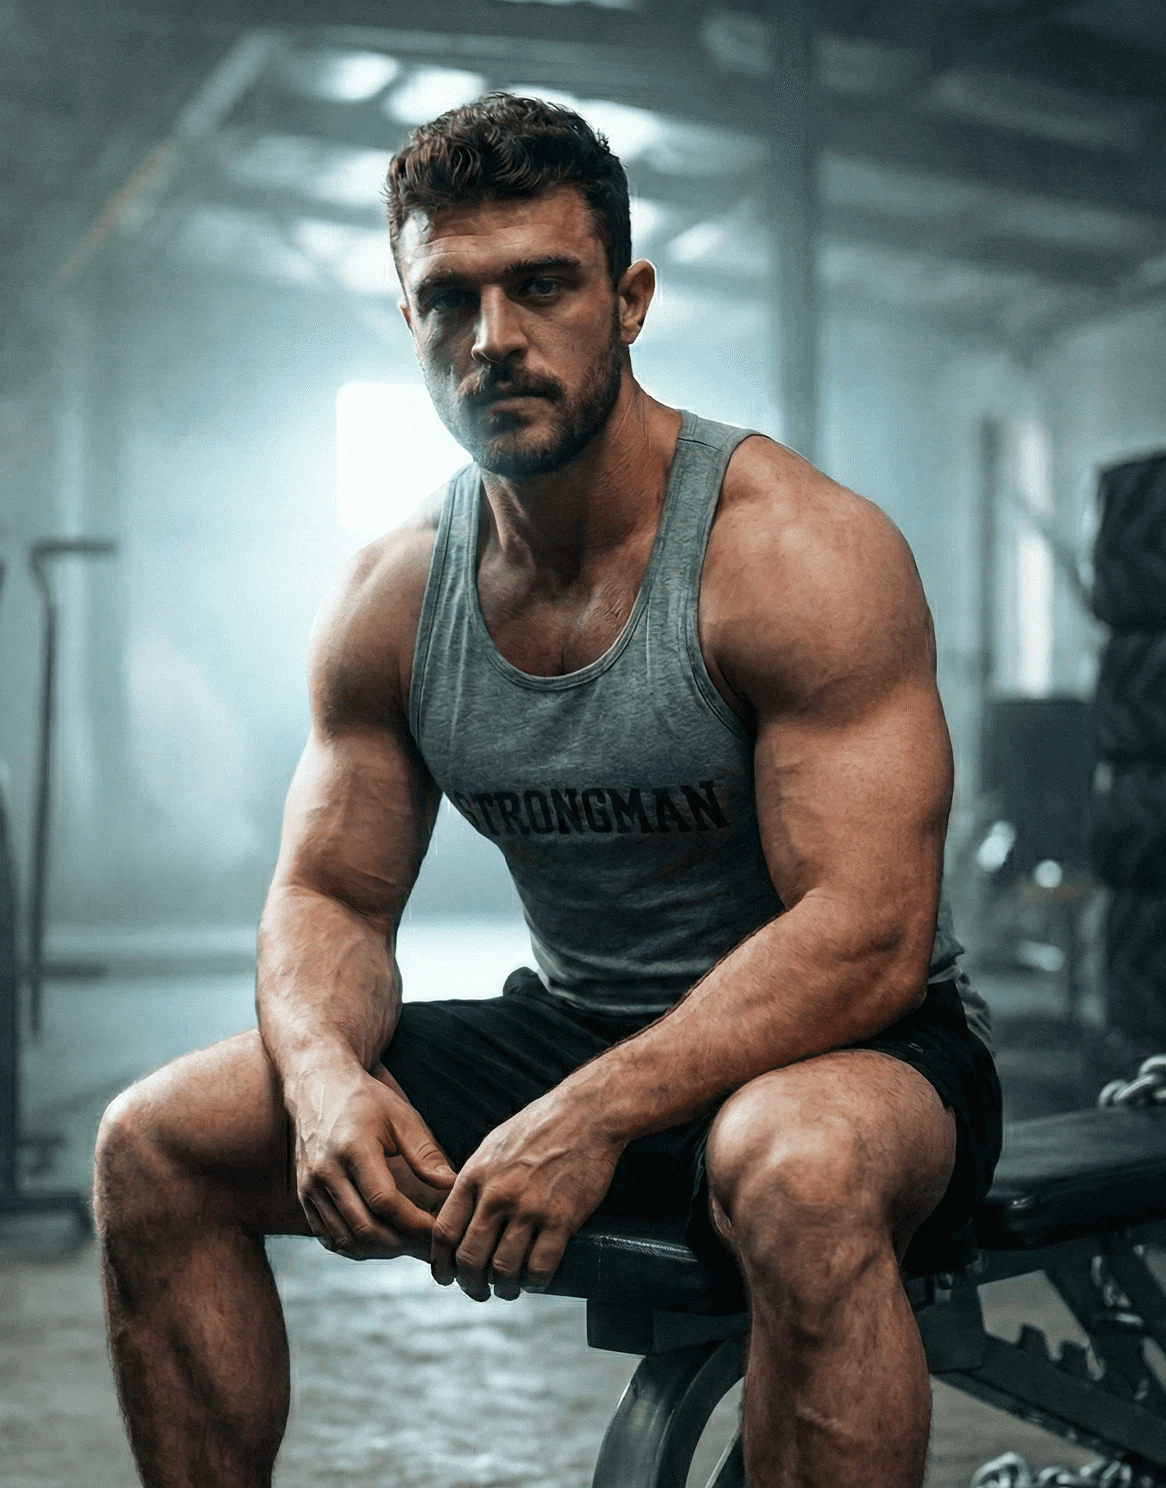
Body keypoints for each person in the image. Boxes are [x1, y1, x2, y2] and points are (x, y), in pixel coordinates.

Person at [94, 93, 1002, 1488]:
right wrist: (327, 1081)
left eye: (542, 285)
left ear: (627, 299)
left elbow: (868, 932)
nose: (493, 339)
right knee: (156, 1144)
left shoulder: (793, 556)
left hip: (857, 1057)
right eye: (446, 299)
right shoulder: (396, 594)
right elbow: (329, 893)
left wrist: (593, 1115)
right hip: (577, 1032)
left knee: (792, 1163)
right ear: (408, 322)